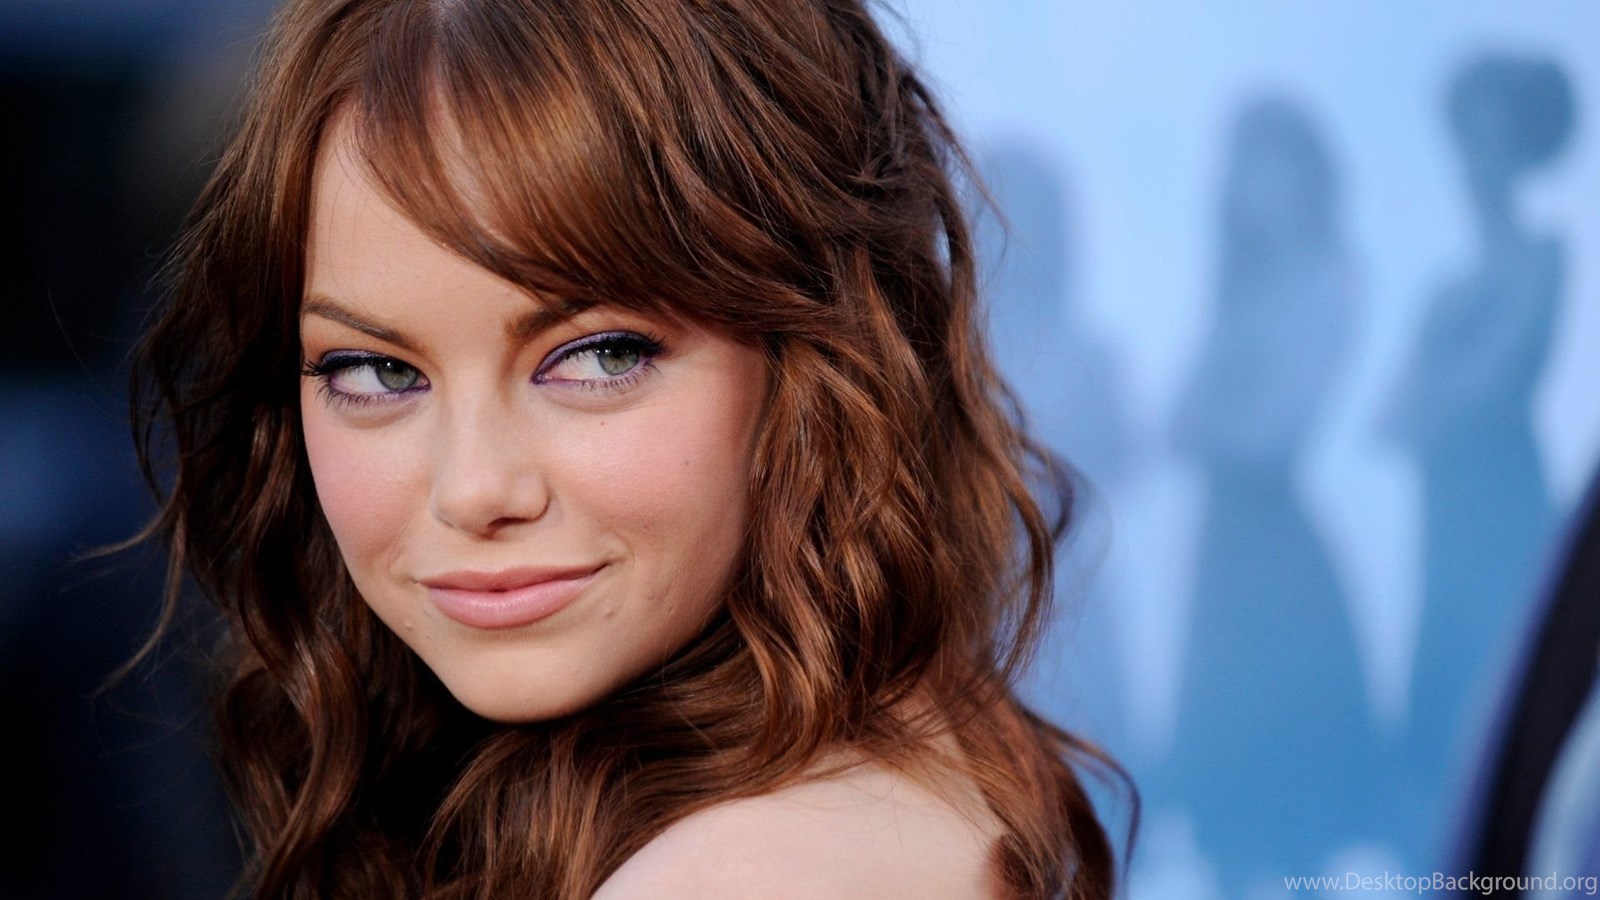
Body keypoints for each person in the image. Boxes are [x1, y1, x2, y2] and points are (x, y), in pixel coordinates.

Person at [131, 0, 1125, 896]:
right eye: (379, 373)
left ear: (820, 358)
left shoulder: (751, 876)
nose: (473, 489)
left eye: (598, 356)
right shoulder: (916, 758)